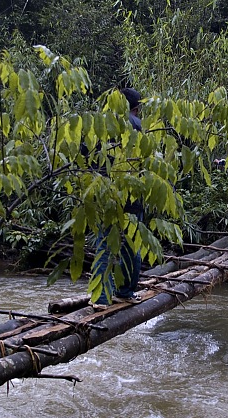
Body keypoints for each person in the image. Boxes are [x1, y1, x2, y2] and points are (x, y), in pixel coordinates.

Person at [89, 87, 145, 309]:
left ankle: (101, 297)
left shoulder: (100, 123)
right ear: (136, 108)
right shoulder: (137, 125)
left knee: (105, 243)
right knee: (132, 243)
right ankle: (125, 291)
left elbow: (88, 155)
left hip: (105, 191)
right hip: (132, 194)